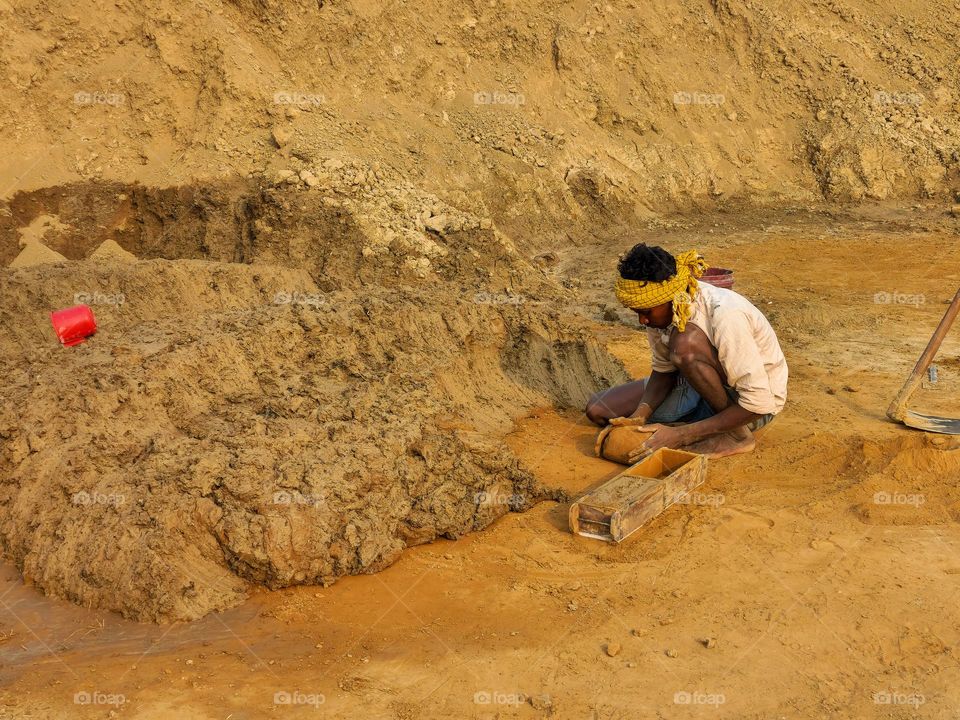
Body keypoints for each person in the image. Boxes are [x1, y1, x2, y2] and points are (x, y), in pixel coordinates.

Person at [585, 243, 788, 459]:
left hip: (746, 408)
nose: (642, 320)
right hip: (696, 385)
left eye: (646, 312)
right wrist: (638, 417)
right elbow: (664, 371)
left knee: (685, 345)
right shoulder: (661, 311)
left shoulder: (726, 314)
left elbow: (758, 403)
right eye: (637, 312)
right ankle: (697, 423)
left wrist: (681, 436)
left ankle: (737, 436)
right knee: (598, 409)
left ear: (671, 298)